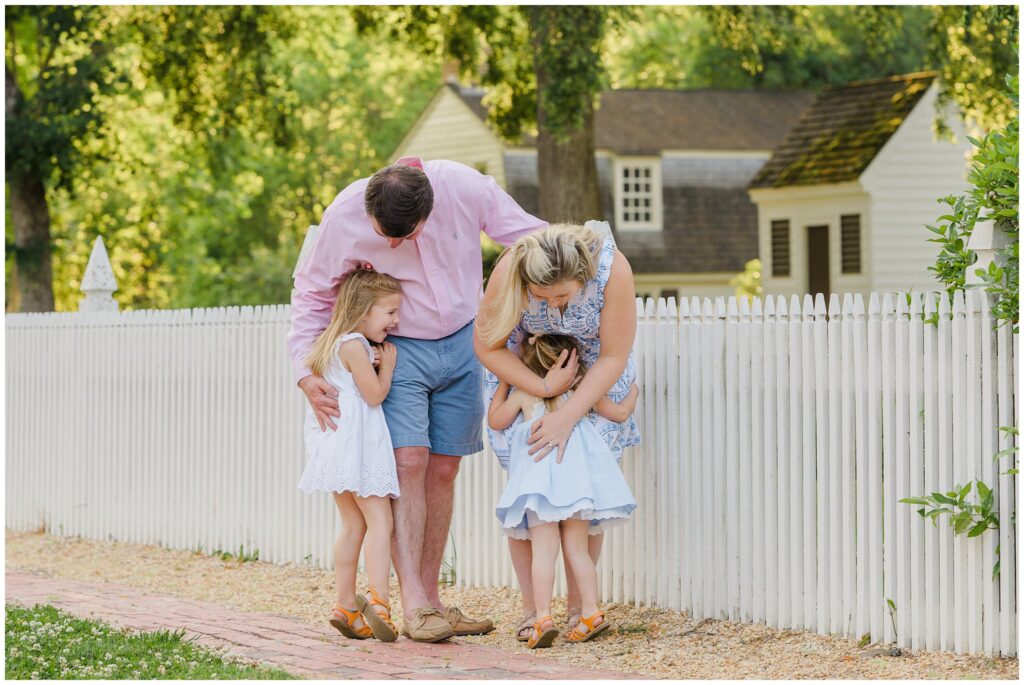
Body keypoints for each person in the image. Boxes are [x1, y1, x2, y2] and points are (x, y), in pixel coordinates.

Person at [288, 157, 547, 642]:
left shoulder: (465, 188)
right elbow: (312, 293)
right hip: (398, 349)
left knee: (444, 469)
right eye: (381, 233)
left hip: (468, 342)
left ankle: (432, 600)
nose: (388, 245)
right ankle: (416, 607)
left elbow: (530, 237)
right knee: (408, 462)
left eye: (400, 237)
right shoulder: (344, 214)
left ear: (427, 213)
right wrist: (305, 372)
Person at [474, 222, 641, 641]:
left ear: (583, 276)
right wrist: (542, 388)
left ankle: (579, 611)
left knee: (584, 500)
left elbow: (614, 353)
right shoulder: (511, 268)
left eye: (562, 297)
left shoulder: (612, 269)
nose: (551, 305)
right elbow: (487, 344)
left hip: (594, 375)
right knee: (528, 502)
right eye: (540, 297)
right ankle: (534, 610)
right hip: (524, 371)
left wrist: (567, 413)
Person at [489, 333, 637, 647]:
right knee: (578, 551)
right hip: (576, 490)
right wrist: (633, 392)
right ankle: (590, 612)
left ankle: (542, 616)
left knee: (543, 554)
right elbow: (620, 414)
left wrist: (506, 381)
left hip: (541, 492)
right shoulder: (581, 394)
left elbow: (495, 421)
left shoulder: (524, 395)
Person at [298, 268, 403, 642]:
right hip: (359, 448)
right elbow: (373, 395)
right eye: (389, 312)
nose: (396, 319)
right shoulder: (355, 344)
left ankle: (344, 603)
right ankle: (379, 604)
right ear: (363, 309)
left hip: (336, 447)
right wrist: (387, 368)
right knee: (380, 522)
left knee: (352, 525)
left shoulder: (330, 342)